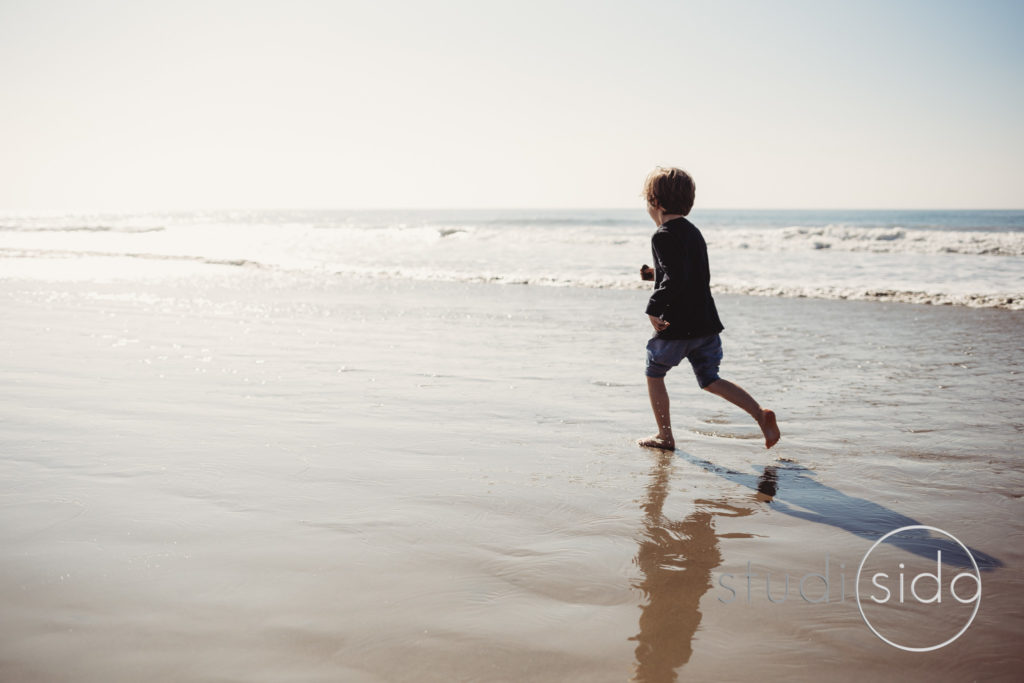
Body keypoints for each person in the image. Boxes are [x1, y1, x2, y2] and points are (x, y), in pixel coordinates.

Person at [637, 167, 780, 451]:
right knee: (710, 379)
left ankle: (665, 436)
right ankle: (759, 414)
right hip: (706, 323)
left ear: (655, 201)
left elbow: (677, 277)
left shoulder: (662, 235)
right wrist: (655, 274)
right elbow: (691, 273)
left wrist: (654, 306)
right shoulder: (693, 233)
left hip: (677, 325)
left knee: (655, 373)